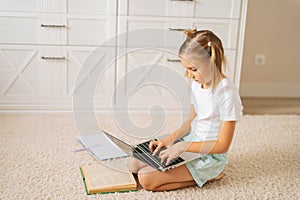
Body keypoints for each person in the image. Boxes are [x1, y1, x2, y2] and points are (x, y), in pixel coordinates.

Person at [128, 29, 242, 191]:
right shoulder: (197, 84)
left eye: (193, 69)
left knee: (146, 179)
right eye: (186, 68)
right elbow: (190, 121)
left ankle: (211, 175)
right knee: (133, 164)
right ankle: (188, 166)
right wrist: (170, 140)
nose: (188, 75)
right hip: (190, 142)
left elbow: (222, 145)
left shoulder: (226, 93)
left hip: (210, 154)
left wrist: (183, 147)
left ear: (212, 62)